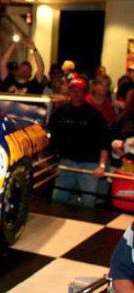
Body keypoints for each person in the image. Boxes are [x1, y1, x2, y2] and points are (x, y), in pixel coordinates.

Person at [47, 78, 110, 207]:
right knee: (58, 197)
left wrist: (102, 165)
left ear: (85, 93)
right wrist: (48, 159)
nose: (76, 94)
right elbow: (51, 137)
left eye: (79, 91)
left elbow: (104, 142)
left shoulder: (94, 114)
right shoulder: (60, 112)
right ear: (69, 92)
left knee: (88, 200)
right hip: (66, 162)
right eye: (73, 90)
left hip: (89, 164)